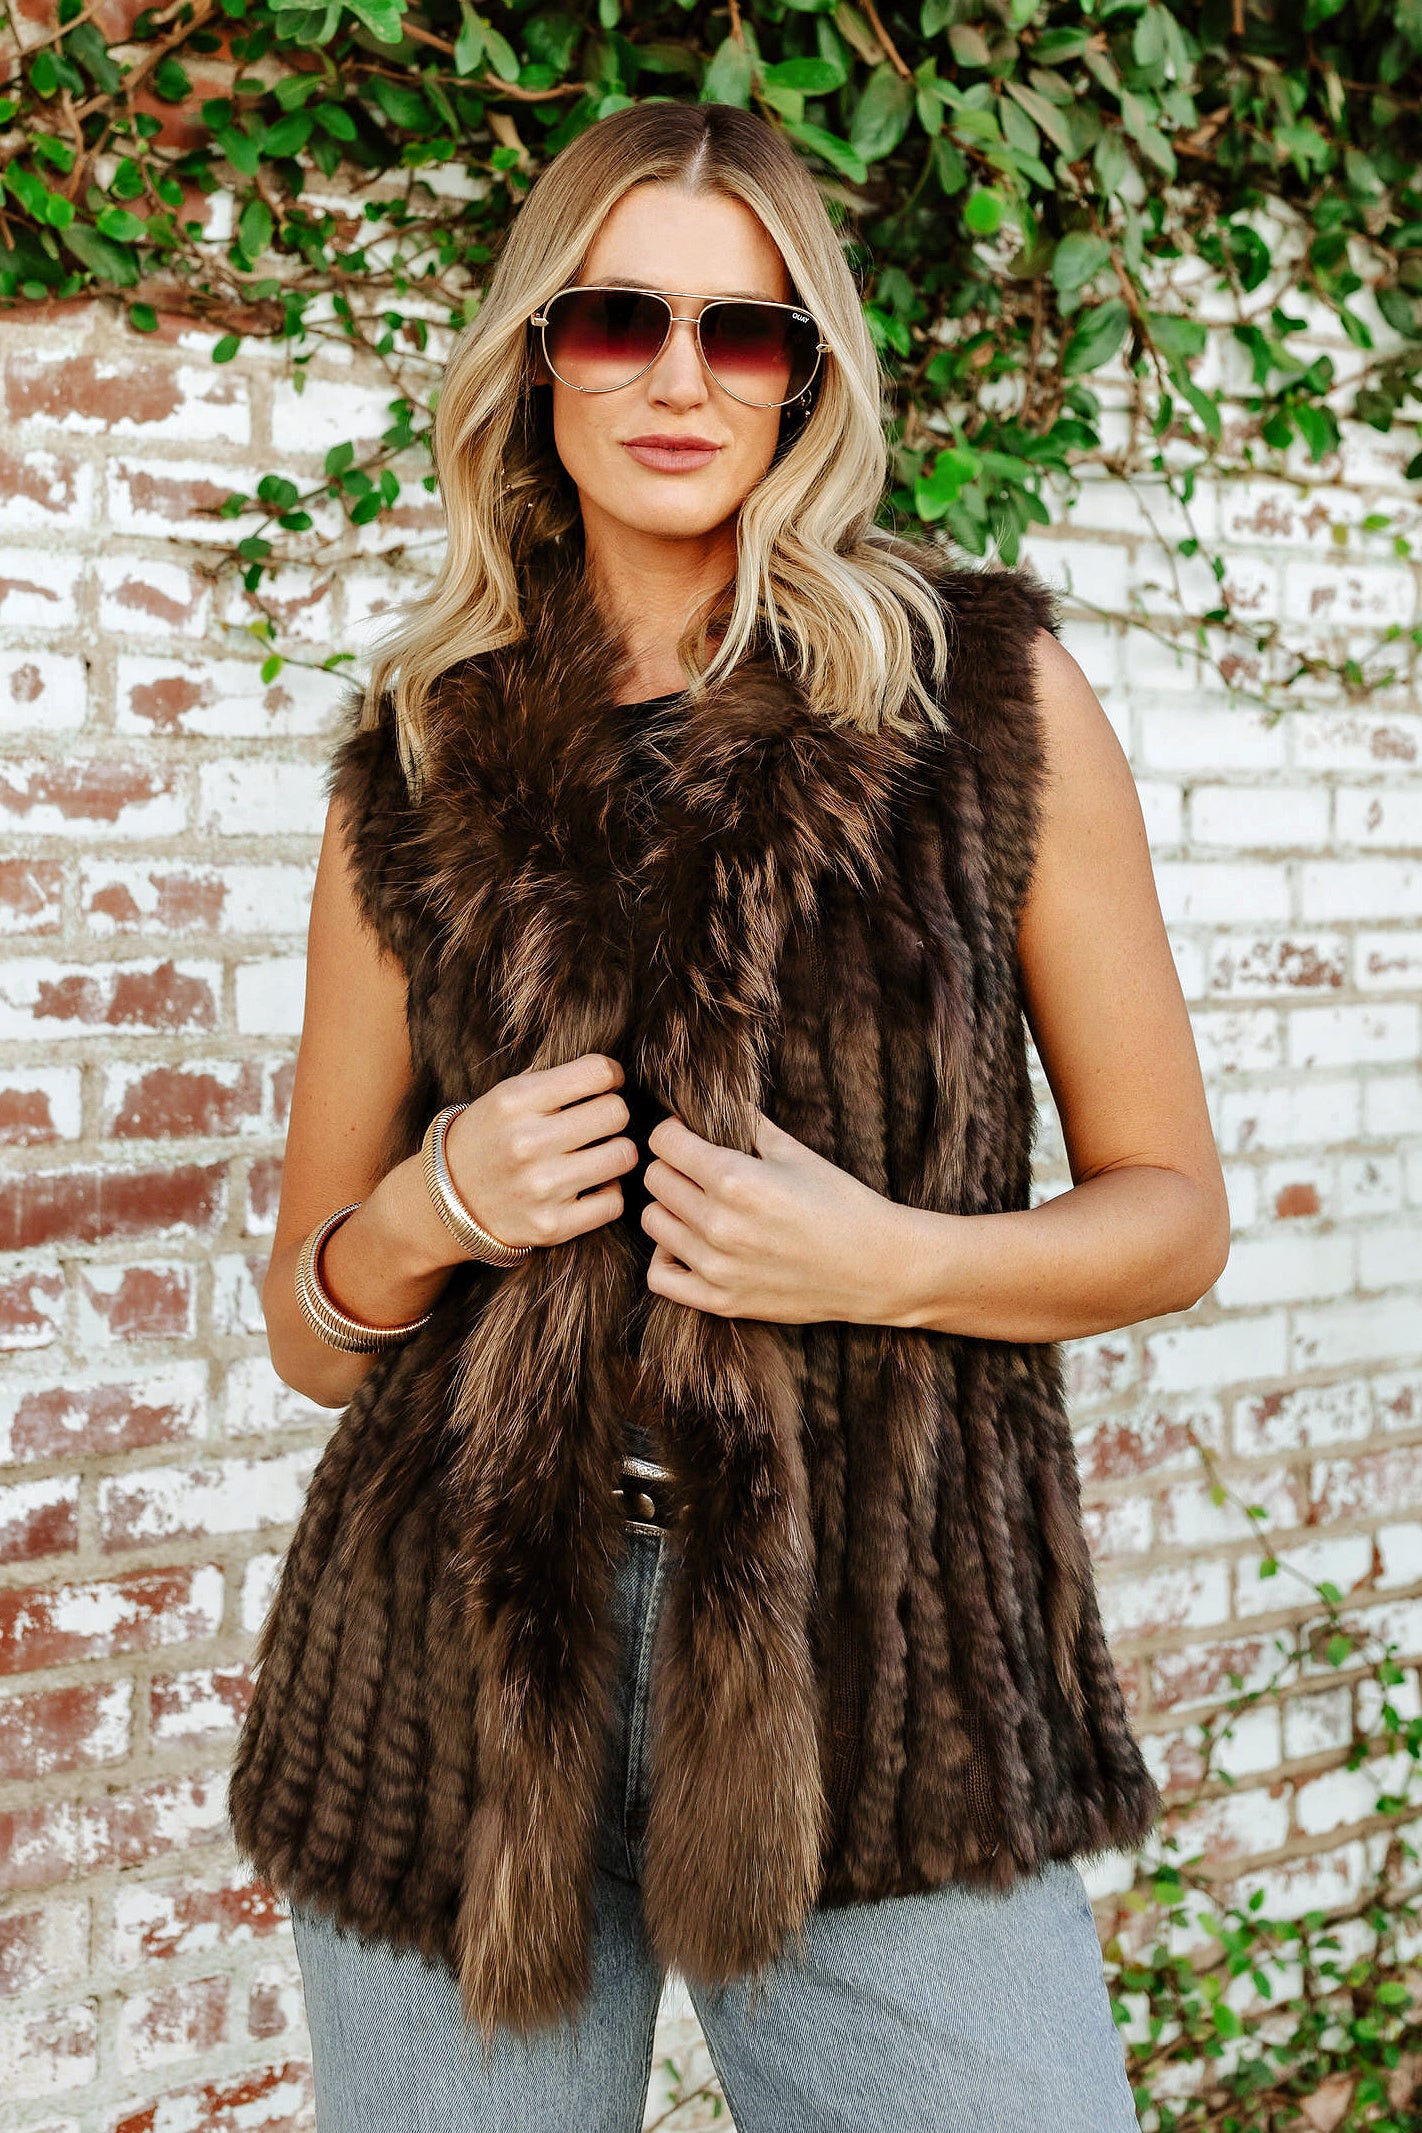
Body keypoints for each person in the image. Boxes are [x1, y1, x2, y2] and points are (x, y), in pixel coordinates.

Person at [227, 98, 1230, 2132]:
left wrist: (888, 1258)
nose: (678, 379)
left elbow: (1172, 1212)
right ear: (538, 357)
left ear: (804, 379)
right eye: (620, 320)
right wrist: (434, 1202)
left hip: (878, 1647)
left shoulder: (982, 701)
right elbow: (313, 1328)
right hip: (454, 1668)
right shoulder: (412, 759)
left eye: (741, 331)